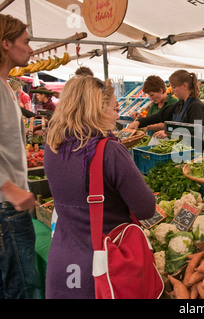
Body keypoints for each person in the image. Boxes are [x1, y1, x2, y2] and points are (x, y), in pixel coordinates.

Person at [43, 75, 156, 299]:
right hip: (100, 268)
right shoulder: (109, 150)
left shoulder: (53, 145)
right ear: (97, 109)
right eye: (114, 108)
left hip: (62, 261)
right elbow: (145, 208)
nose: (117, 114)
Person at [0, 13, 41, 299]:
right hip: (6, 211)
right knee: (23, 289)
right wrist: (10, 189)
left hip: (10, 208)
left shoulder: (6, 87)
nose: (31, 49)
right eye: (25, 42)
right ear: (5, 44)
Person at [127, 70, 204, 139]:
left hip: (193, 153)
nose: (172, 91)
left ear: (184, 85)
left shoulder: (196, 106)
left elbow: (196, 132)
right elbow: (158, 116)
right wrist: (138, 122)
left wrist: (170, 133)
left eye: (174, 87)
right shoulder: (179, 105)